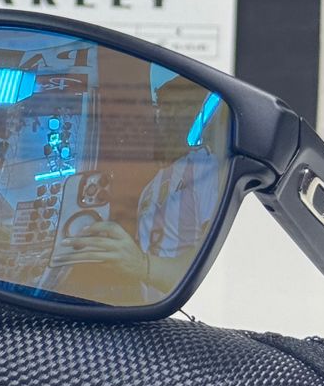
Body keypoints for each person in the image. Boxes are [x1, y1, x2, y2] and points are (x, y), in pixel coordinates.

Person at [53, 66, 227, 306]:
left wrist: (142, 266)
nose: (169, 117)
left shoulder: (206, 169)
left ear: (193, 114)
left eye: (181, 108)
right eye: (164, 107)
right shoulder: (152, 187)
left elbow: (213, 267)